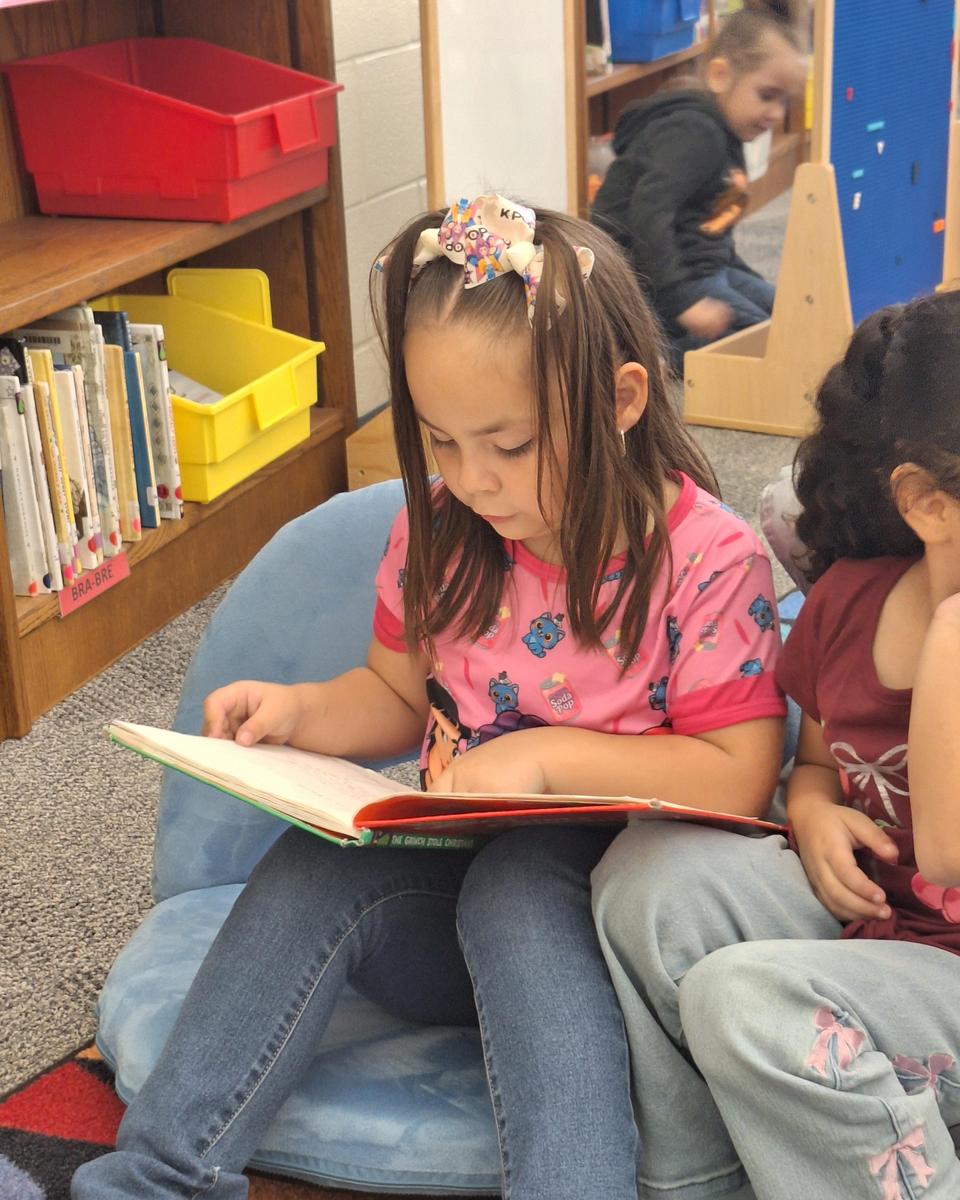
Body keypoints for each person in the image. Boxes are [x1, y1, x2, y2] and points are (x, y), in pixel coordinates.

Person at [73, 193, 786, 1200]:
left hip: (609, 948)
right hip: (443, 922)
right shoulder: (443, 528)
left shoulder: (710, 559)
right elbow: (394, 695)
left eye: (508, 443)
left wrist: (544, 759)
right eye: (442, 442)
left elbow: (742, 778)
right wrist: (300, 714)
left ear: (623, 399)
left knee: (522, 881)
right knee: (314, 864)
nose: (474, 480)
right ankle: (157, 1176)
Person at [592, 289, 960, 1200]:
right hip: (871, 934)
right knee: (649, 877)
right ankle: (704, 1181)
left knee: (745, 999)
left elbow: (949, 851)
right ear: (925, 502)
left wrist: (952, 641)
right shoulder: (848, 606)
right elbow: (809, 764)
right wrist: (815, 812)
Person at [590, 0, 807, 371]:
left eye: (784, 102)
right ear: (720, 75)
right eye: (767, 96)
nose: (776, 114)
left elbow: (710, 228)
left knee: (791, 317)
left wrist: (746, 281)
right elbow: (647, 215)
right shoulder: (696, 134)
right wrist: (683, 300)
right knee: (764, 341)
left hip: (699, 267)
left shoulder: (729, 134)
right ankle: (650, 355)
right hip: (649, 273)